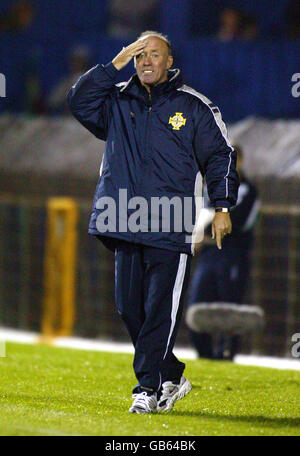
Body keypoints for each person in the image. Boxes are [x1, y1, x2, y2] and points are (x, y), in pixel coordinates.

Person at [67, 31, 239, 414]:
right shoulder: (116, 101)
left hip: (171, 224)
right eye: (140, 55)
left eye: (154, 55)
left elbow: (220, 157)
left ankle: (147, 388)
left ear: (169, 61)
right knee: (130, 308)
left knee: (159, 308)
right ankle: (171, 373)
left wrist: (223, 207)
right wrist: (114, 63)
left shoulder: (193, 106)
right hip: (124, 218)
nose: (146, 61)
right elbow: (78, 101)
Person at [186, 145, 260, 360]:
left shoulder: (247, 189)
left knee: (229, 304)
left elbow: (237, 222)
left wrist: (205, 231)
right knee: (198, 302)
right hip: (209, 255)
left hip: (233, 253)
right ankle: (204, 353)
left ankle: (226, 352)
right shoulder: (211, 187)